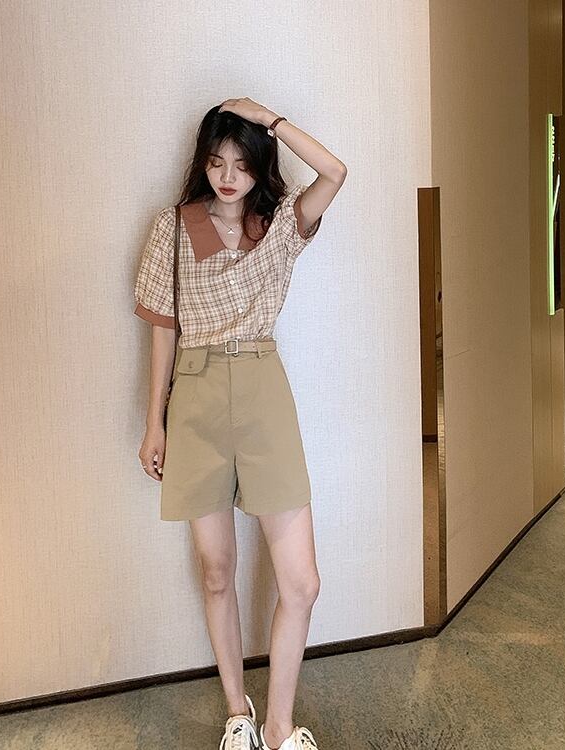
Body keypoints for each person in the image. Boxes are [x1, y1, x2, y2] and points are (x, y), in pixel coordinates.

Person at [134, 97, 346, 750]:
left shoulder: (279, 224)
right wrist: (154, 422)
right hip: (195, 398)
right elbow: (163, 329)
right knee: (217, 570)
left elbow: (335, 173)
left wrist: (269, 119)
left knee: (301, 582)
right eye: (216, 161)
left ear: (260, 165)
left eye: (242, 162)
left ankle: (280, 726)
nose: (228, 176)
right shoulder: (173, 228)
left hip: (262, 392)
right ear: (202, 163)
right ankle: (239, 713)